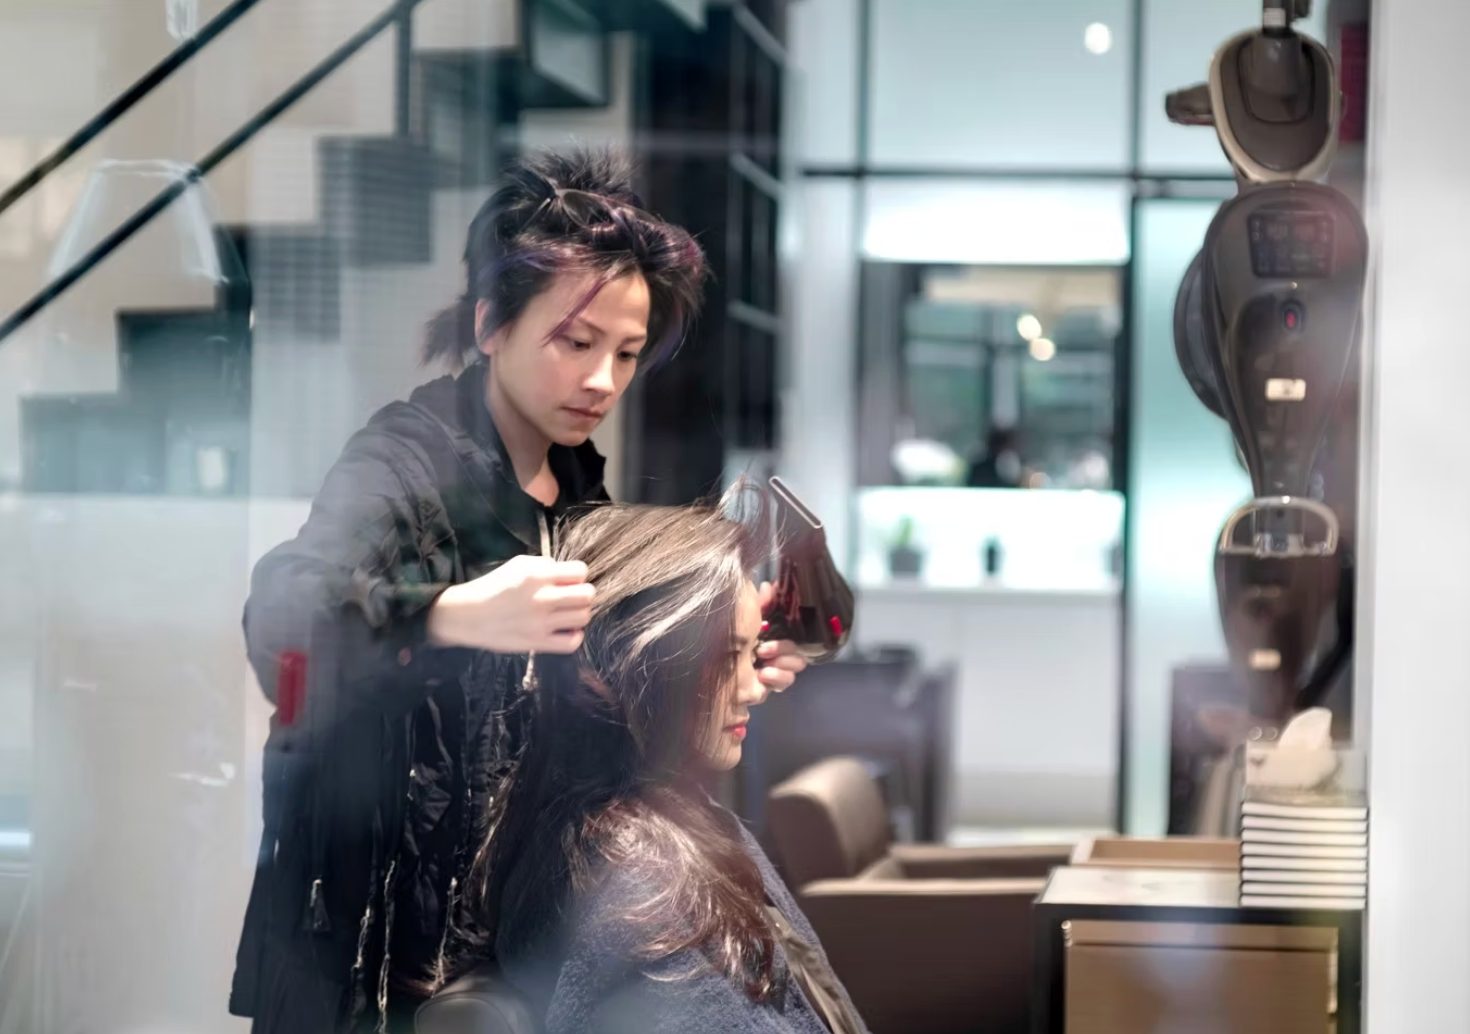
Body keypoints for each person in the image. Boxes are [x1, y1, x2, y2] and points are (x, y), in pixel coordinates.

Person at [228, 150, 810, 1034]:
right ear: (491, 324)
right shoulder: (404, 460)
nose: (602, 381)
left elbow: (590, 689)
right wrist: (448, 614)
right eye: (576, 343)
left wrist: (721, 666)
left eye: (626, 353)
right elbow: (281, 618)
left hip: (507, 917)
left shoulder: (577, 486)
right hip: (379, 941)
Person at [439, 496, 869, 1034]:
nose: (755, 687)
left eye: (751, 651)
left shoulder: (631, 830)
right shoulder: (641, 893)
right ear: (651, 665)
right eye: (728, 656)